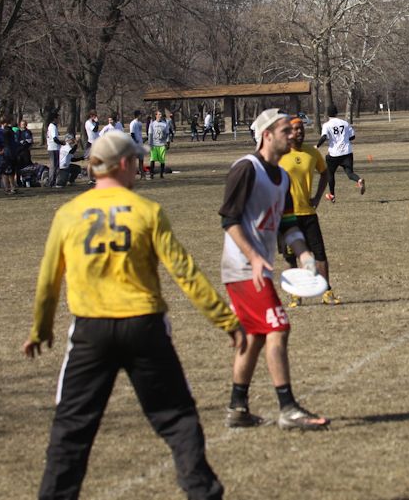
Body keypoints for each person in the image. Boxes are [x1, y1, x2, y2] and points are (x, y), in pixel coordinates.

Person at [22, 132, 246, 500]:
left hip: (90, 331)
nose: (140, 168)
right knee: (177, 417)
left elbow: (48, 279)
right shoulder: (147, 211)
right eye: (136, 161)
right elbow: (186, 274)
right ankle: (202, 492)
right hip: (144, 326)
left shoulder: (68, 214)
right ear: (124, 164)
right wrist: (226, 321)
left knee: (72, 426)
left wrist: (40, 328)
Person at [219, 109, 329, 430]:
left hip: (258, 269)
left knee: (255, 337)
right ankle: (288, 408)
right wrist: (253, 257)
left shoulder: (282, 177)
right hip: (243, 269)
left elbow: (288, 225)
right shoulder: (246, 168)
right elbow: (229, 220)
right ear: (267, 135)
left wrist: (304, 254)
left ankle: (237, 409)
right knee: (278, 327)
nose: (293, 134)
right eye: (285, 130)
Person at [280, 116, 340, 306]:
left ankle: (326, 292)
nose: (300, 132)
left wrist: (317, 196)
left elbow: (325, 173)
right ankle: (295, 295)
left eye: (302, 128)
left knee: (319, 254)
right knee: (290, 257)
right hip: (286, 216)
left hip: (308, 214)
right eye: (296, 129)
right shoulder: (279, 154)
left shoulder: (312, 153)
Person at [316, 104, 364, 202]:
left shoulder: (327, 125)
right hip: (347, 152)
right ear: (337, 113)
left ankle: (332, 195)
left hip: (334, 154)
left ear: (327, 114)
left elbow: (324, 137)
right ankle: (359, 180)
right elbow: (352, 137)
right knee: (350, 173)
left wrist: (317, 146)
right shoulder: (345, 123)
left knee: (330, 174)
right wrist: (345, 139)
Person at [147, 110, 170, 179]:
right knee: (152, 159)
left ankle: (161, 174)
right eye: (159, 114)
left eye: (161, 114)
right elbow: (150, 134)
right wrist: (150, 144)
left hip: (162, 144)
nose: (160, 115)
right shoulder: (152, 124)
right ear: (156, 115)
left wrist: (168, 143)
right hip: (154, 144)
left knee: (162, 160)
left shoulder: (164, 124)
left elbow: (167, 134)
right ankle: (151, 174)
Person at [45, 112, 63, 189]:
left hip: (55, 148)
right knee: (54, 166)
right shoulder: (52, 127)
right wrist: (62, 143)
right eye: (58, 118)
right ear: (55, 118)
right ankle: (51, 182)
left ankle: (54, 181)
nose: (59, 119)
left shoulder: (53, 126)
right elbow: (55, 139)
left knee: (56, 165)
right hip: (53, 148)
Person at [129, 110, 146, 180]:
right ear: (137, 115)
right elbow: (132, 133)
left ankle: (142, 175)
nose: (141, 116)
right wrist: (136, 141)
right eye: (140, 115)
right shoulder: (133, 123)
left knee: (141, 160)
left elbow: (139, 133)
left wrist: (142, 140)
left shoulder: (140, 123)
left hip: (140, 144)